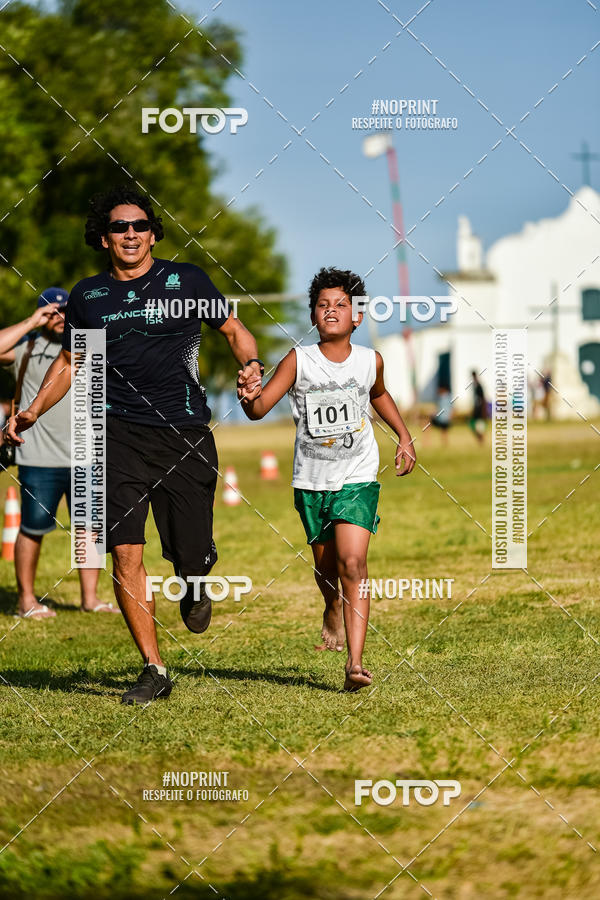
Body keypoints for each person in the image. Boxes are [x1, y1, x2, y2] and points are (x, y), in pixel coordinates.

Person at [6, 186, 263, 704]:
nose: (131, 234)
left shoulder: (185, 280)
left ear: (152, 233)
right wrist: (31, 409)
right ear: (104, 238)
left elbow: (234, 330)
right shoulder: (89, 297)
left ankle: (194, 582)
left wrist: (251, 366)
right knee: (125, 554)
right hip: (116, 435)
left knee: (191, 553)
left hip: (184, 433)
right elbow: (73, 364)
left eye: (140, 226)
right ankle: (154, 667)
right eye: (120, 227)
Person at [239, 266, 416, 691]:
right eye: (323, 305)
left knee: (353, 564)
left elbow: (379, 394)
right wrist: (246, 395)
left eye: (341, 305)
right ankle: (331, 606)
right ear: (313, 315)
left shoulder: (370, 360)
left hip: (357, 476)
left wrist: (404, 437)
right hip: (311, 480)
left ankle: (355, 664)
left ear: (357, 317)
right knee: (326, 568)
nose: (331, 311)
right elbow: (260, 408)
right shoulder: (299, 360)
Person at [0, 289, 114, 618]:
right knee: (33, 527)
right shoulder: (26, 346)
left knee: (89, 527)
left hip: (87, 455)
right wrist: (32, 321)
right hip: (38, 457)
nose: (58, 317)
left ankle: (90, 599)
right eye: (51, 313)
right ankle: (26, 601)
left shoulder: (88, 344)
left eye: (64, 311)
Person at [469, 369, 487, 443]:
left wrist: (483, 410)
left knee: (479, 426)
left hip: (480, 409)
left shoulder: (479, 386)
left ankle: (481, 440)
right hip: (476, 408)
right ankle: (480, 439)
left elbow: (483, 399)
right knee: (473, 425)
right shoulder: (475, 386)